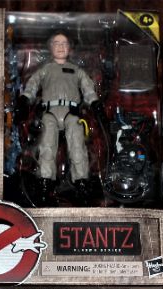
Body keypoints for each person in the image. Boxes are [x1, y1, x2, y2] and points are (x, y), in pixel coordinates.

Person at [16, 31, 106, 204]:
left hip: (71, 113)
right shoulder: (45, 69)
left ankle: (81, 181)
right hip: (50, 112)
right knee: (47, 146)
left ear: (70, 48)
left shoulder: (76, 70)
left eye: (64, 43)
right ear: (50, 47)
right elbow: (33, 84)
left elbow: (88, 88)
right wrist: (25, 99)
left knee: (77, 146)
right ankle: (45, 181)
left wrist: (95, 103)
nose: (60, 47)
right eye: (56, 43)